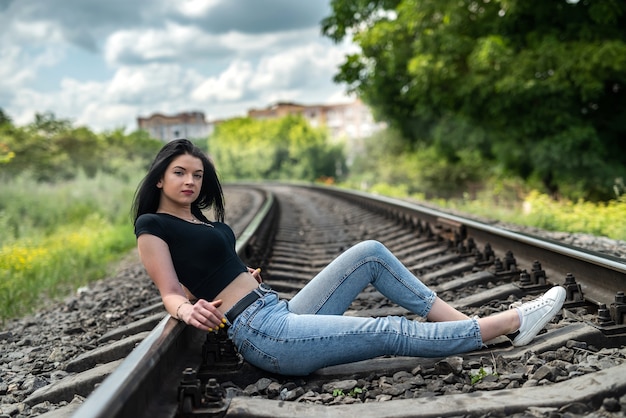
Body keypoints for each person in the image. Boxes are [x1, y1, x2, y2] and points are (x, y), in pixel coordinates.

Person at [132, 138, 566, 376]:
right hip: (263, 335)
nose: (190, 180)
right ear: (159, 179)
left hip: (276, 309)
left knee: (369, 254)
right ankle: (509, 322)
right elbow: (170, 291)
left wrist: (239, 273)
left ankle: (463, 325)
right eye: (180, 173)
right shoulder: (153, 226)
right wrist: (188, 310)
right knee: (386, 329)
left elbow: (207, 269)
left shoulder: (204, 223)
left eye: (197, 174)